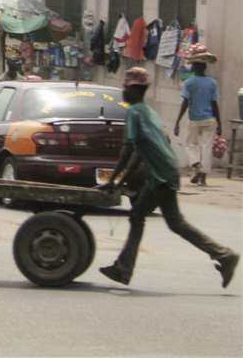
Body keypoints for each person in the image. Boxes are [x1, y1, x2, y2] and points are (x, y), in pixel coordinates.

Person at [98, 67, 236, 288]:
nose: (124, 91)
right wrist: (119, 181)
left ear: (135, 90)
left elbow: (128, 150)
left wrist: (114, 181)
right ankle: (123, 268)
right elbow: (138, 152)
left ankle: (224, 255)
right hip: (164, 172)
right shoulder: (147, 111)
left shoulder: (134, 112)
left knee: (172, 222)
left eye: (126, 88)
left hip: (161, 176)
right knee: (141, 216)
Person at [174, 57, 221, 187]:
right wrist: (219, 124)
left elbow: (185, 103)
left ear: (193, 68)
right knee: (206, 147)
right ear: (205, 68)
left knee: (190, 144)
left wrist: (177, 121)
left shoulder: (189, 83)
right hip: (210, 119)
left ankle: (196, 164)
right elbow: (214, 104)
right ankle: (203, 178)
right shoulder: (212, 83)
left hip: (194, 119)